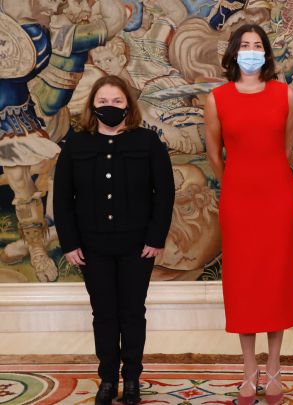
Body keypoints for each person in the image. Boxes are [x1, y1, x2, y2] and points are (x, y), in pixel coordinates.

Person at [53, 75, 175, 405]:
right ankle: (107, 378)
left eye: (117, 102)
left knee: (133, 312)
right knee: (103, 313)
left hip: (138, 246)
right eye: (103, 102)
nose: (110, 107)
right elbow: (62, 198)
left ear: (128, 105)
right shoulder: (76, 145)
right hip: (92, 247)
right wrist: (69, 243)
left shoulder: (148, 143)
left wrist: (156, 237)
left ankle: (132, 378)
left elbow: (164, 194)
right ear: (92, 106)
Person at [203, 24, 293, 405]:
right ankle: (248, 369)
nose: (251, 51)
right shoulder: (217, 98)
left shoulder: (285, 94)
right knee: (244, 284)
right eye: (245, 45)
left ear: (267, 53)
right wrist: (237, 184)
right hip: (238, 201)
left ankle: (274, 367)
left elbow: (287, 147)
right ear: (233, 53)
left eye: (257, 45)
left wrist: (268, 178)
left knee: (275, 281)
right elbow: (214, 154)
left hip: (278, 199)